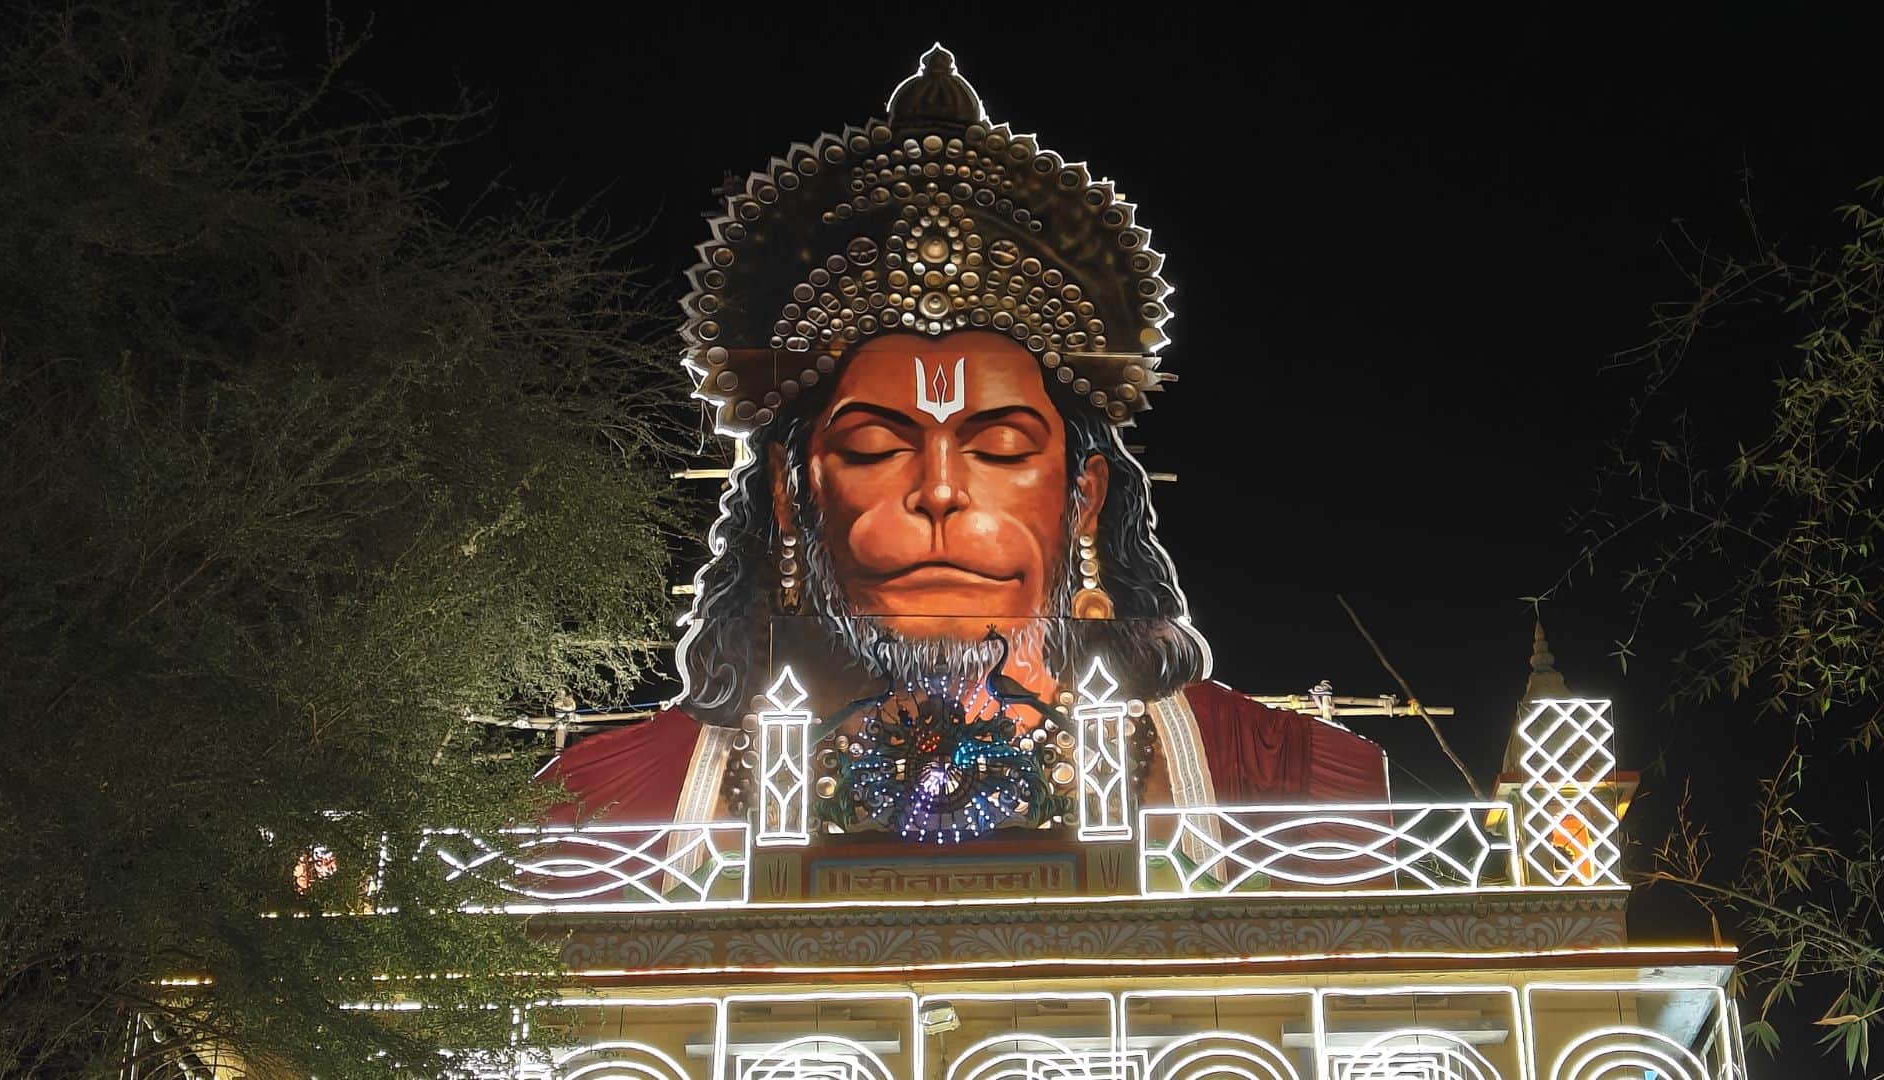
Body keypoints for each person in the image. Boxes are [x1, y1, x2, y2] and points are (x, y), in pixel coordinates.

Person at [541, 47, 1386, 834]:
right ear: (789, 496)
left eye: (1003, 447)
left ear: (1084, 497)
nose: (939, 492)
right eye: (874, 446)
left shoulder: (1296, 790)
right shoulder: (609, 805)